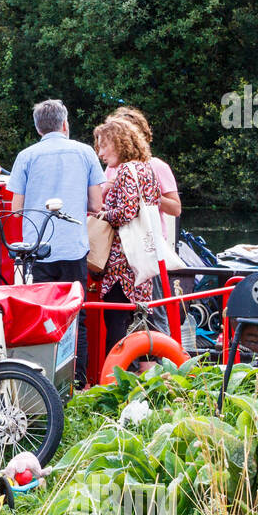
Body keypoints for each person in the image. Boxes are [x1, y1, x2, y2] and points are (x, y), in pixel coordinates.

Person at [6, 99, 104, 384]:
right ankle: (79, 381)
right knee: (77, 317)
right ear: (65, 124)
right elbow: (96, 205)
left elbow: (15, 207)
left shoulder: (26, 156)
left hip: (37, 251)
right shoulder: (86, 152)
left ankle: (43, 382)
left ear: (38, 129)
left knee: (41, 317)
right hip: (73, 249)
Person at [92, 118, 162, 352]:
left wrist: (102, 214)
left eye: (104, 145)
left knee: (115, 319)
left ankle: (111, 378)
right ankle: (146, 373)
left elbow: (127, 212)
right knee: (140, 319)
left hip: (122, 264)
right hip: (141, 258)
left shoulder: (125, 171)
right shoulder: (146, 168)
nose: (101, 153)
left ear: (119, 142)